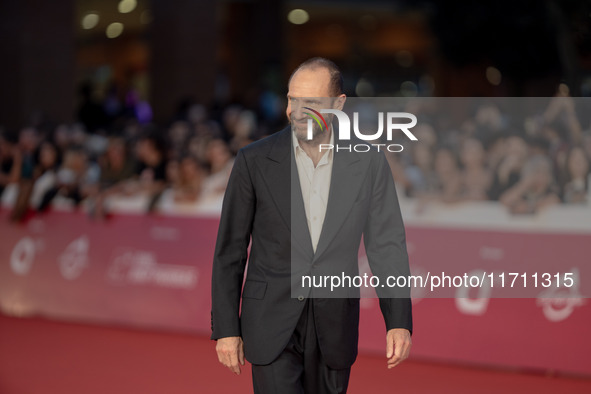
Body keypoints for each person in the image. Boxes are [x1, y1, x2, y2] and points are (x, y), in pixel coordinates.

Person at [211, 58, 412, 394]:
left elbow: (386, 246)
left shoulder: (369, 162)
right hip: (270, 320)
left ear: (339, 104)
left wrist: (399, 322)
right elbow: (230, 250)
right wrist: (227, 328)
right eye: (293, 99)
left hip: (334, 324)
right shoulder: (254, 160)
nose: (298, 110)